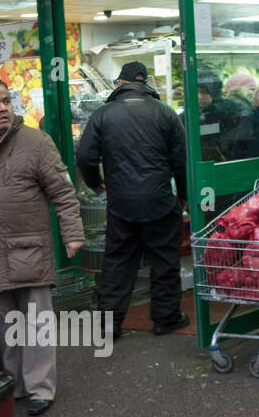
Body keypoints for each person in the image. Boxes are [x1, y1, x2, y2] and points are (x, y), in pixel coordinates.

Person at [0, 78, 84, 417]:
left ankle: (41, 388)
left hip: (30, 251)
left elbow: (63, 193)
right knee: (6, 326)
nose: (3, 108)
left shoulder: (35, 143)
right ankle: (15, 384)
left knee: (36, 323)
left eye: (7, 101)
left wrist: (72, 234)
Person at [76, 61, 190, 338]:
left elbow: (85, 157)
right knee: (164, 262)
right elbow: (181, 161)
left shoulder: (103, 115)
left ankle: (109, 325)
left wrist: (96, 184)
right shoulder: (166, 113)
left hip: (121, 204)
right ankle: (165, 319)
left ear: (121, 83)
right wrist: (183, 196)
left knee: (118, 264)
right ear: (145, 82)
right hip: (160, 201)